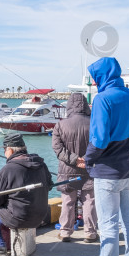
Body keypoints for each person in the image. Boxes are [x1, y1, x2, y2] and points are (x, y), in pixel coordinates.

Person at [72, 57, 129, 256]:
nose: (93, 81)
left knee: (109, 224)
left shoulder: (103, 98)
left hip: (107, 172)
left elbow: (99, 138)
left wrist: (88, 159)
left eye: (94, 77)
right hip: (128, 168)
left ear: (99, 77)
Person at [0, 133, 52, 256]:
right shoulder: (41, 164)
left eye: (5, 150)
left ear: (10, 149)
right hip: (39, 216)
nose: (4, 153)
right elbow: (49, 186)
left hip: (19, 219)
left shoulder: (8, 169)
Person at [52, 92, 98, 243]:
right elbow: (99, 145)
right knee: (89, 201)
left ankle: (65, 231)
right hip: (89, 168)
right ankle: (90, 233)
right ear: (85, 105)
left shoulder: (60, 124)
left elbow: (58, 149)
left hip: (67, 170)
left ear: (70, 105)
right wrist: (85, 160)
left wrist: (75, 160)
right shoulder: (94, 123)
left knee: (68, 201)